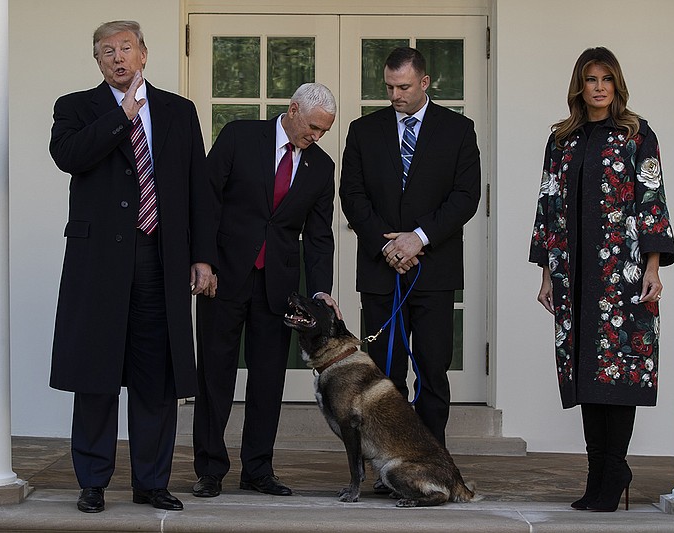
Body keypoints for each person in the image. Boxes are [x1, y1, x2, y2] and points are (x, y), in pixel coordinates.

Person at [49, 20, 215, 513]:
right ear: (97, 61)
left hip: (161, 260)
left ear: (144, 54)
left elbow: (197, 189)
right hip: (98, 262)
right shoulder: (76, 107)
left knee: (156, 378)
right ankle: (93, 482)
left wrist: (202, 256)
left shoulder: (178, 112)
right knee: (97, 374)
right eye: (106, 52)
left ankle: (151, 481)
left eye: (126, 48)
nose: (118, 58)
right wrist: (121, 117)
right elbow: (68, 156)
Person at [529, 47, 674, 512]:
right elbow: (547, 204)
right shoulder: (561, 140)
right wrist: (548, 271)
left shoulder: (636, 134)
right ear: (579, 85)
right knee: (586, 372)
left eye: (606, 79)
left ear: (616, 85)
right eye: (590, 79)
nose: (598, 87)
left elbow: (652, 199)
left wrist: (652, 267)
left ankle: (613, 469)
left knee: (619, 368)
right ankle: (599, 474)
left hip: (624, 274)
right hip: (574, 275)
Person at [192, 83, 340, 498]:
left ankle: (258, 469)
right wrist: (203, 260)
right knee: (215, 376)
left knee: (267, 379)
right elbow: (205, 198)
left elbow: (318, 237)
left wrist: (321, 291)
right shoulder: (240, 136)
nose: (316, 137)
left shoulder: (322, 167)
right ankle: (210, 470)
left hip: (277, 286)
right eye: (313, 127)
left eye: (324, 131)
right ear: (292, 110)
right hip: (222, 278)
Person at [339, 47, 482, 454]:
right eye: (389, 87)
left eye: (403, 86)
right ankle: (388, 460)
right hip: (380, 271)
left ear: (424, 82)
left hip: (433, 271)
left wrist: (417, 238)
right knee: (384, 374)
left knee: (433, 370)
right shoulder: (363, 130)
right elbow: (351, 194)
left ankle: (431, 461)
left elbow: (465, 197)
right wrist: (387, 245)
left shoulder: (458, 130)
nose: (395, 95)